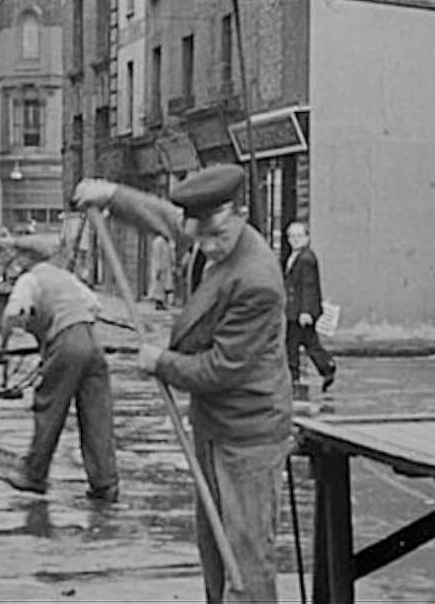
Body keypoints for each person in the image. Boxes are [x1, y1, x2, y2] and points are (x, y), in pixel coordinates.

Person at [73, 164, 292, 604]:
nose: (206, 248)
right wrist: (112, 195)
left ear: (241, 214)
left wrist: (162, 362)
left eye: (215, 238)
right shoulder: (211, 232)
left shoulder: (257, 280)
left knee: (246, 559)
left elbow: (221, 369)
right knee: (214, 549)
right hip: (213, 427)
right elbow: (168, 219)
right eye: (200, 237)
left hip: (248, 435)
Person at [0, 238, 119, 501]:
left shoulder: (30, 280)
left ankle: (34, 475)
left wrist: (2, 348)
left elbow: (12, 314)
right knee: (97, 414)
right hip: (93, 342)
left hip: (66, 342)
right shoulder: (65, 277)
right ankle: (105, 483)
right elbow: (95, 305)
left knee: (49, 406)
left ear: (27, 259)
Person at [283, 220, 337, 392]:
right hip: (295, 310)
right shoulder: (295, 257)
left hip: (300, 311)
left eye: (299, 236)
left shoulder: (306, 259)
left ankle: (294, 376)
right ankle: (326, 367)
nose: (295, 239)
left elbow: (309, 286)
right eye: (292, 236)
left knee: (294, 344)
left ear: (307, 238)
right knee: (308, 342)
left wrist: (306, 311)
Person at [148, 233, 175, 310]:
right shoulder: (158, 242)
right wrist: (158, 269)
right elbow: (156, 256)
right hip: (160, 268)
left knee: (167, 286)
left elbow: (171, 255)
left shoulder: (169, 242)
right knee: (159, 287)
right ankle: (158, 303)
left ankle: (164, 303)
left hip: (166, 268)